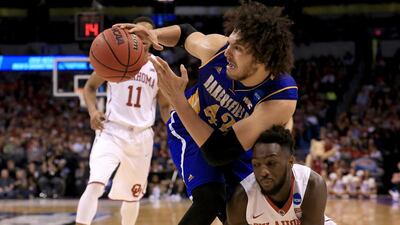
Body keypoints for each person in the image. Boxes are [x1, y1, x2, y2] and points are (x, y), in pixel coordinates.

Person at [116, 1, 297, 224]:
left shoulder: (280, 96)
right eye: (230, 42)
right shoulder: (216, 49)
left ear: (264, 58)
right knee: (210, 199)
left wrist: (175, 97)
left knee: (242, 214)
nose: (227, 51)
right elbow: (185, 33)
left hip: (233, 145)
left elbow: (221, 151)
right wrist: (153, 34)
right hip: (190, 129)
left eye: (238, 48)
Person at [75, 17, 169, 225]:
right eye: (140, 33)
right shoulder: (115, 55)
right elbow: (90, 87)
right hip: (112, 131)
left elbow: (164, 105)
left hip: (142, 135)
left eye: (148, 34)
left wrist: (174, 130)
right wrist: (92, 112)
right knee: (96, 183)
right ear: (132, 35)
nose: (144, 38)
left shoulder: (159, 67)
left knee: (133, 194)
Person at [226, 126, 336, 225]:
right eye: (256, 164)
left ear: (290, 162)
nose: (263, 172)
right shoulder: (241, 199)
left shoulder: (310, 184)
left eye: (271, 163)